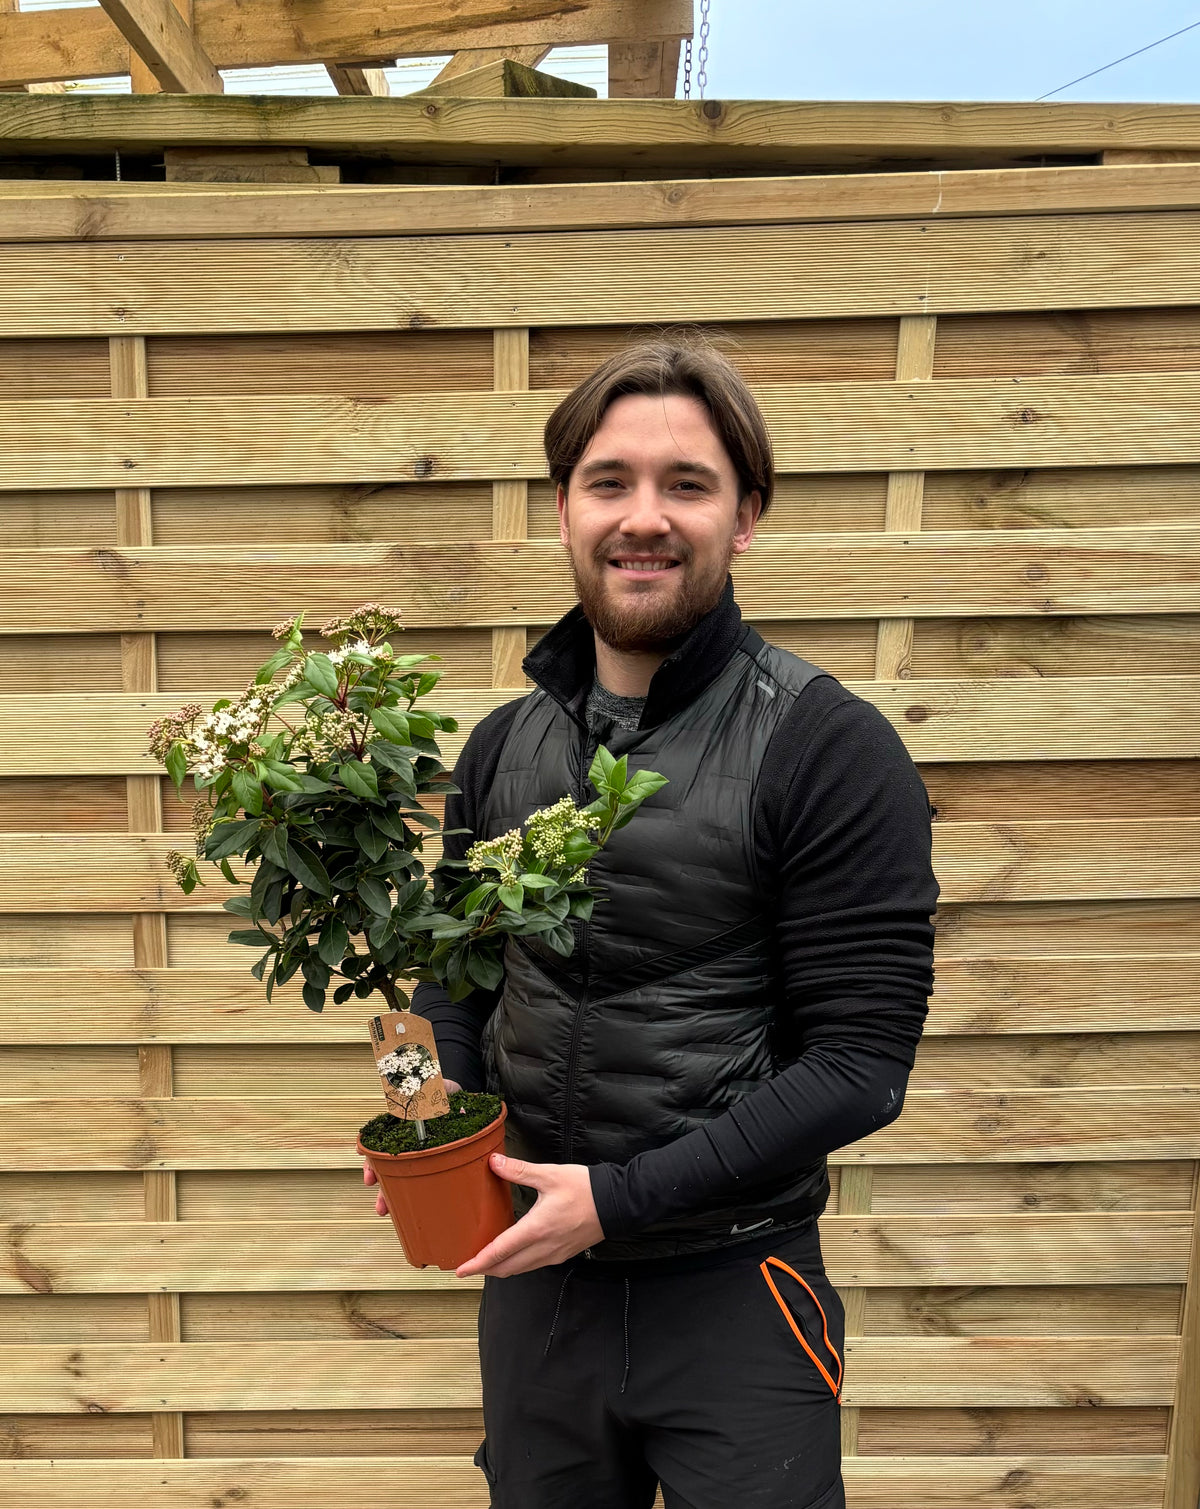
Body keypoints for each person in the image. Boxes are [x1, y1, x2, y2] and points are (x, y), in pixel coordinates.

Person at [364, 334, 939, 1509]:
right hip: (539, 1294)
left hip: (737, 1291)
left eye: (688, 484)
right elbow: (456, 987)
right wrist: (423, 1116)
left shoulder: (826, 747)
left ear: (746, 518)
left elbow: (861, 1066)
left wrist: (617, 1200)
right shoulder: (500, 750)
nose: (645, 517)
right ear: (563, 507)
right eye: (610, 481)